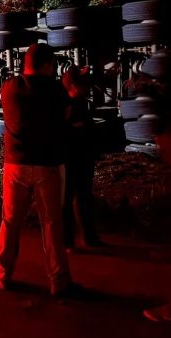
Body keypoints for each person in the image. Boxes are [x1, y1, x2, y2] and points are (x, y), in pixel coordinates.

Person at [0, 43, 78, 296]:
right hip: (47, 164)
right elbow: (66, 116)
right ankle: (58, 281)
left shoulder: (8, 87)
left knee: (10, 222)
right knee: (52, 223)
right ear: (47, 64)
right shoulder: (55, 89)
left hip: (14, 164)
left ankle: (1, 275)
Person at [61, 66, 105, 249]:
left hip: (82, 156)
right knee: (70, 197)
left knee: (83, 196)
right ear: (73, 85)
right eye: (83, 84)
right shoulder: (67, 105)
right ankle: (68, 241)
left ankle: (88, 237)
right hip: (71, 157)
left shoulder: (78, 102)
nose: (87, 87)